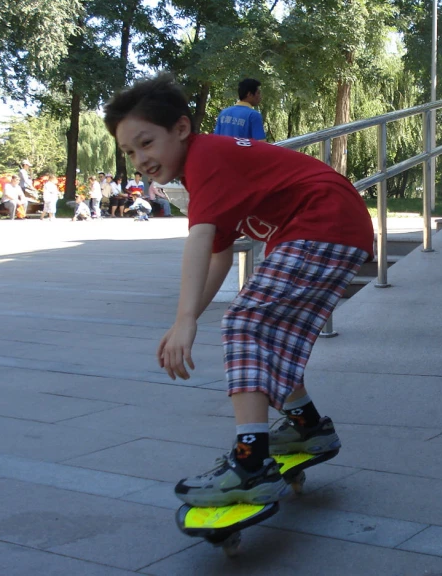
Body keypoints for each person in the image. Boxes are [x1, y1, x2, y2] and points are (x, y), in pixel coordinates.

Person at [104, 73, 374, 508]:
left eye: (146, 143)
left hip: (324, 222)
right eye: (130, 151)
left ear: (181, 128)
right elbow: (219, 256)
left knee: (247, 322)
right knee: (267, 332)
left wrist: (185, 320)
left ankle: (251, 466)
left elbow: (198, 239)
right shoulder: (210, 167)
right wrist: (185, 317)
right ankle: (308, 427)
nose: (140, 159)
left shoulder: (207, 159)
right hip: (331, 225)